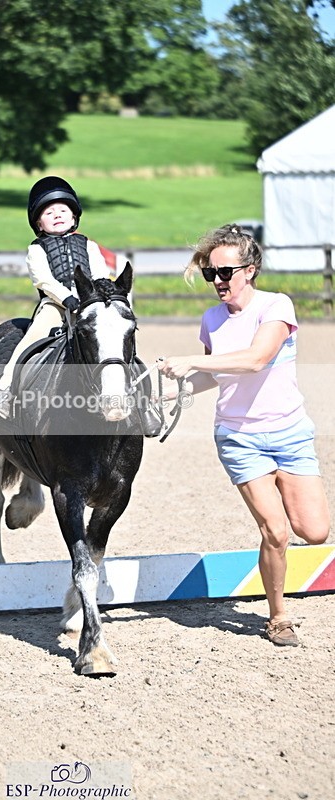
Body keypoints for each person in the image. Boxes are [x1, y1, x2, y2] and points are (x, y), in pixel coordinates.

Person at [157, 223, 330, 647]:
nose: (217, 282)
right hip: (239, 438)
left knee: (316, 532)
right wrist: (162, 393)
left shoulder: (276, 306)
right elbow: (216, 375)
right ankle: (278, 617)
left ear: (249, 270)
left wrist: (190, 361)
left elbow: (254, 360)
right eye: (210, 274)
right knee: (275, 531)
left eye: (225, 272)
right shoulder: (212, 319)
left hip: (290, 432)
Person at [0, 176, 113, 418]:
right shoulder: (36, 249)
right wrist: (66, 298)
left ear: (74, 216)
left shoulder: (89, 245)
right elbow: (43, 280)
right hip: (55, 305)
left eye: (63, 209)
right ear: (39, 224)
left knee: (116, 334)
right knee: (34, 335)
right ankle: (4, 390)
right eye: (49, 212)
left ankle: (138, 396)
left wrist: (102, 288)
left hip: (89, 302)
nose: (57, 214)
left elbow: (99, 272)